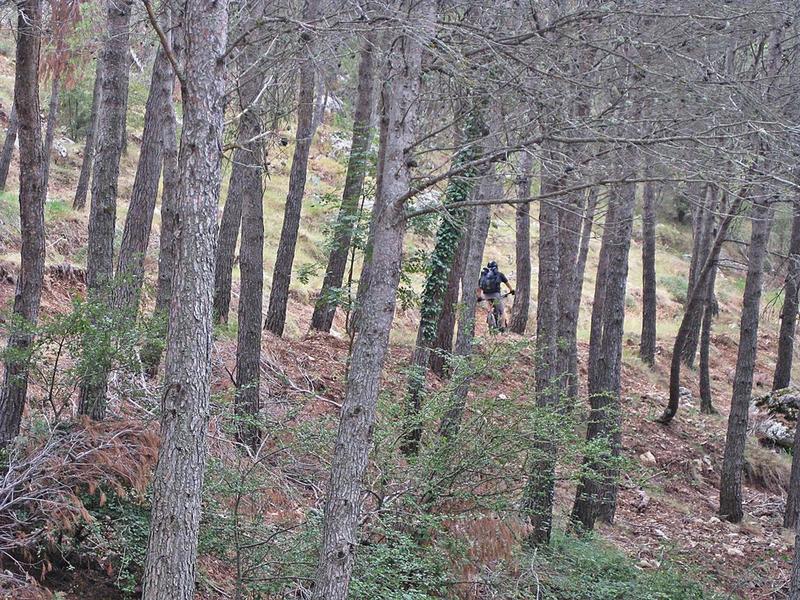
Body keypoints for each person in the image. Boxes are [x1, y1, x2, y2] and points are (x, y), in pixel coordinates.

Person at [477, 260, 514, 330]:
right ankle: (503, 327)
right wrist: (511, 290)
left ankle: (489, 315)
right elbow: (507, 283)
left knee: (489, 308)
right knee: (502, 311)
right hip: (496, 296)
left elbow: (479, 288)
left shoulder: (484, 275)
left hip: (486, 296)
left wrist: (479, 297)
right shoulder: (499, 274)